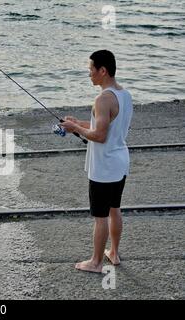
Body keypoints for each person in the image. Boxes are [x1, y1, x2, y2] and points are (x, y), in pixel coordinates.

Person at [60, 50, 133, 273]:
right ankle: (114, 253)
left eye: (91, 69)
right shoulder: (125, 94)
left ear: (103, 70)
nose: (89, 73)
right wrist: (78, 123)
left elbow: (99, 136)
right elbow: (105, 126)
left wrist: (75, 129)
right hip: (119, 162)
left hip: (104, 167)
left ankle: (96, 262)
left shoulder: (102, 99)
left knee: (100, 217)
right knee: (114, 209)